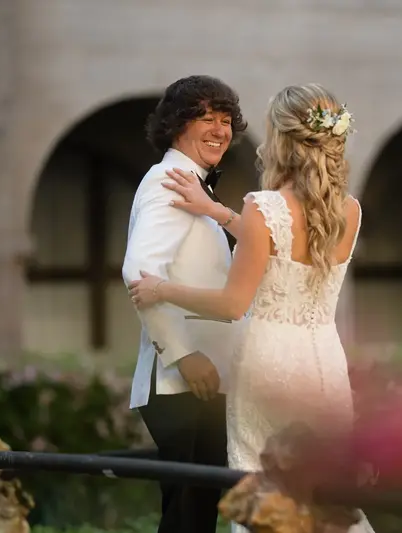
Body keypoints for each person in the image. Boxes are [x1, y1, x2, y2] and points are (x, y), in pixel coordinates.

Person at [128, 83, 376, 533]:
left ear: (280, 138)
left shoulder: (264, 208)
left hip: (268, 364)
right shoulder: (349, 211)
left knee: (267, 493)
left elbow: (232, 303)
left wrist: (163, 289)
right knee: (322, 493)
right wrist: (218, 212)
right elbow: (285, 250)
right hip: (323, 363)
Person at [121, 75, 247, 533]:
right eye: (206, 119)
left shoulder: (194, 183)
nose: (219, 130)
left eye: (226, 120)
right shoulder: (168, 181)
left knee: (197, 514)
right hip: (181, 381)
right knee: (188, 517)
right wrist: (183, 353)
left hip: (203, 382)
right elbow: (139, 272)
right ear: (176, 125)